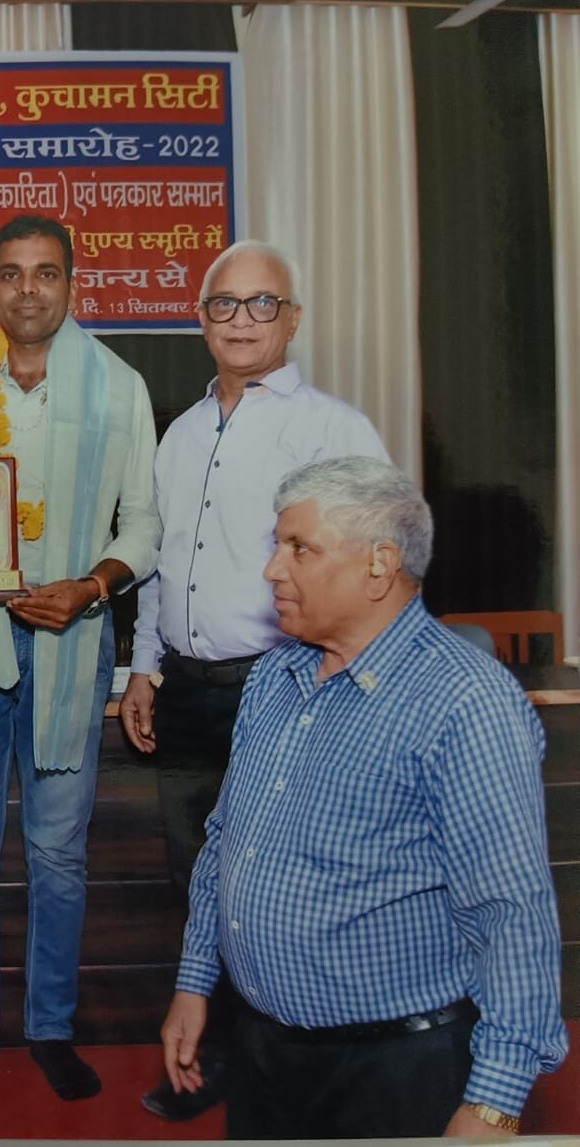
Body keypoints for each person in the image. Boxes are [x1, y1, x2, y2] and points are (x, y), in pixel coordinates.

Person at [161, 456, 567, 1139]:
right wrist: (195, 980)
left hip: (399, 1069)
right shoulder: (274, 675)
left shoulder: (465, 701)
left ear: (379, 564)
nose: (272, 570)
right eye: (277, 546)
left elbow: (511, 912)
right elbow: (227, 842)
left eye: (300, 548)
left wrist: (493, 1102)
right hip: (262, 1053)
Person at [117, 240, 389, 1120]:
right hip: (189, 692)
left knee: (283, 889)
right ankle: (225, 1063)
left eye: (262, 303)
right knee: (202, 885)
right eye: (224, 305)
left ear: (293, 318)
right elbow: (161, 565)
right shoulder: (183, 434)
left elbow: (380, 563)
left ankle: (295, 1070)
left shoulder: (332, 430)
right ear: (200, 320)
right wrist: (144, 668)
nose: (242, 320)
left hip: (287, 689)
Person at [0, 214, 161, 1107]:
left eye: (46, 273)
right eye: (11, 273)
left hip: (71, 643)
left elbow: (145, 524)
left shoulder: (119, 387)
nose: (28, 290)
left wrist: (91, 587)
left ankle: (51, 1028)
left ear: (72, 285)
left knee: (58, 855)